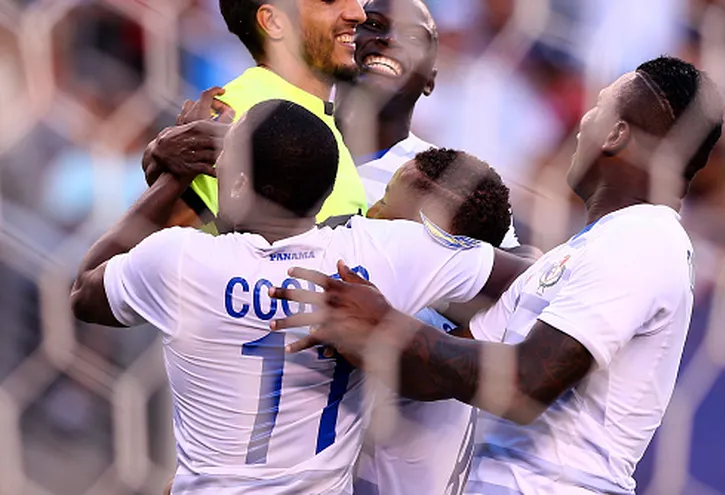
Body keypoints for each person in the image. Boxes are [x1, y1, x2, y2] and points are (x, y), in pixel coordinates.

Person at [270, 56, 725, 495]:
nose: (581, 123)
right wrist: (358, 317)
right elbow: (439, 374)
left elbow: (527, 384)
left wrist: (385, 324)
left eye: (599, 106)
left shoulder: (646, 237)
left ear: (615, 133)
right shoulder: (575, 254)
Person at [70, 100, 530, 494]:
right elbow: (532, 273)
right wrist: (460, 332)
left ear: (235, 183)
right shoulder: (382, 254)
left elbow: (84, 291)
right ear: (329, 189)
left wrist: (175, 176)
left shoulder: (177, 260)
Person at [357, 148, 512, 495]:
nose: (370, 212)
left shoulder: (390, 316)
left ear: (434, 243)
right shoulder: (485, 320)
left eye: (386, 204)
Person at [142, 0, 369, 230]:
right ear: (273, 22)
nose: (358, 14)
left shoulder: (309, 109)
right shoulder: (234, 116)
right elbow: (165, 251)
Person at [335, 0, 521, 248]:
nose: (390, 39)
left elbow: (522, 264)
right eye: (373, 24)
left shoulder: (447, 181)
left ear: (430, 81)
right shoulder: (284, 133)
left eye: (413, 37)